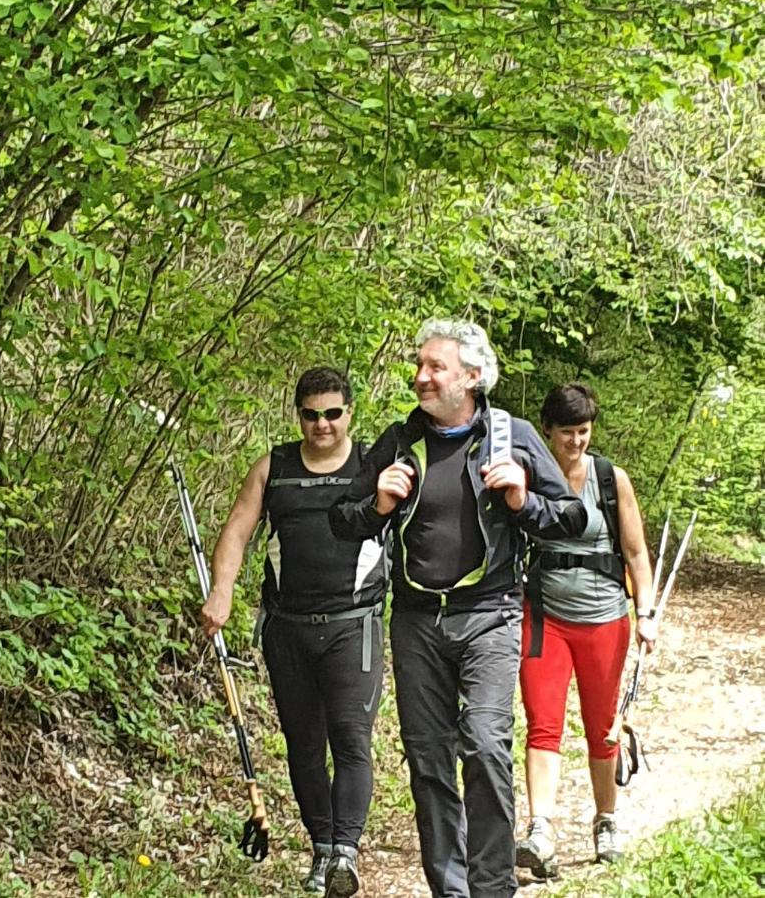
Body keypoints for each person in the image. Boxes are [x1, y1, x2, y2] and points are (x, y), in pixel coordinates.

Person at [329, 320, 587, 898]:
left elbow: (573, 520)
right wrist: (376, 505)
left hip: (490, 614)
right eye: (420, 366)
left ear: (471, 377)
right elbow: (341, 522)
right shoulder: (398, 442)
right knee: (427, 757)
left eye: (434, 367)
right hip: (417, 620)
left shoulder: (511, 436)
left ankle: (492, 887)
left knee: (487, 743)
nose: (420, 377)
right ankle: (451, 887)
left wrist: (523, 501)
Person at [200, 367, 387, 898]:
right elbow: (237, 530)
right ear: (298, 415)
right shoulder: (273, 467)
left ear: (350, 412)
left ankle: (346, 853)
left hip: (356, 626)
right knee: (304, 745)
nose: (322, 424)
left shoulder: (374, 465)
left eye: (332, 413)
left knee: (352, 739)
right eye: (311, 414)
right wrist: (223, 590)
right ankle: (323, 849)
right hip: (288, 629)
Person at [514, 383, 656, 878]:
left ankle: (606, 820)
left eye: (584, 430)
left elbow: (636, 553)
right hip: (544, 618)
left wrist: (648, 613)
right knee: (542, 722)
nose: (576, 440)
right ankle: (540, 828)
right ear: (547, 431)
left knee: (602, 726)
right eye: (567, 431)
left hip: (605, 621)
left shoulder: (609, 479)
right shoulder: (527, 478)